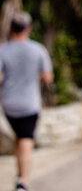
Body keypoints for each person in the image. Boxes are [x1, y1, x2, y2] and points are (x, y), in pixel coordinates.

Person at [0, 11, 53, 191]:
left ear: (10, 28)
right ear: (28, 29)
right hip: (29, 103)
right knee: (26, 141)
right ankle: (23, 182)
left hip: (8, 104)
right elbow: (47, 77)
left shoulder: (2, 50)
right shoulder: (38, 50)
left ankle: (18, 175)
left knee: (19, 138)